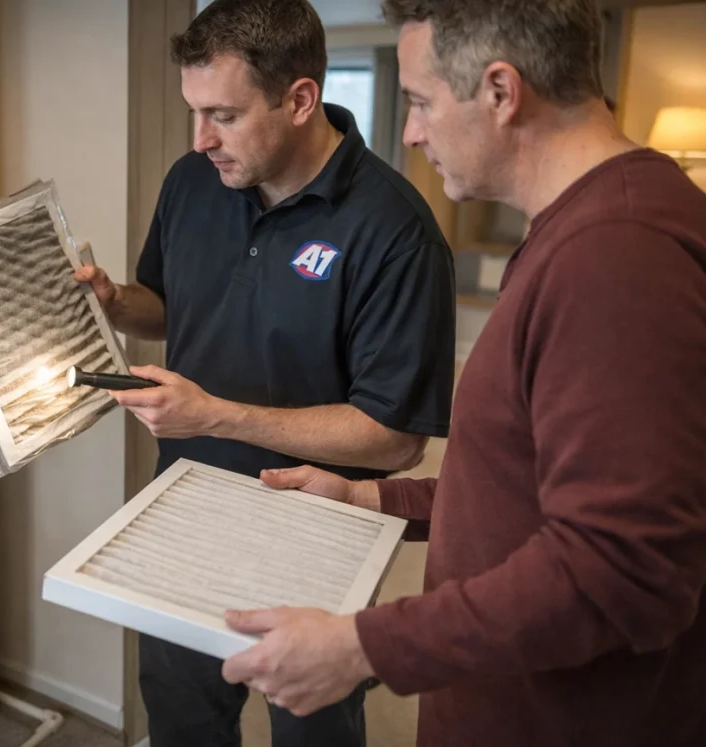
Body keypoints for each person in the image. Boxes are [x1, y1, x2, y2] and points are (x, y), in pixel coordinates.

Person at [219, 1, 706, 746]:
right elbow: (525, 487)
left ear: (501, 92)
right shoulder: (587, 227)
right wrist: (370, 494)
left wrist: (363, 645)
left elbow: (622, 570)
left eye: (418, 101)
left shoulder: (616, 257)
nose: (409, 132)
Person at [73, 0, 456, 744]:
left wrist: (216, 413)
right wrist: (120, 303)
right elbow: (172, 307)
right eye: (194, 111)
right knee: (183, 715)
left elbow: (395, 439)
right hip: (183, 509)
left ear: (300, 99)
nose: (200, 139)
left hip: (317, 530)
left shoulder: (397, 233)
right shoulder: (192, 182)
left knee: (312, 726)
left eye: (224, 114)